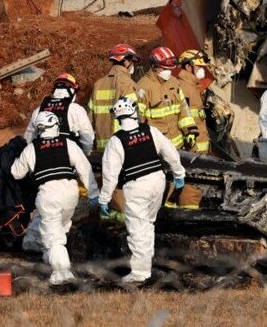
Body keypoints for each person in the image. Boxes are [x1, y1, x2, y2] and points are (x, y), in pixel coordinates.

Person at [98, 97, 185, 284]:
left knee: (138, 229)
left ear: (117, 118)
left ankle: (140, 273)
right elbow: (170, 152)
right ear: (134, 112)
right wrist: (179, 174)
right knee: (148, 224)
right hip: (157, 181)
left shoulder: (116, 141)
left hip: (136, 186)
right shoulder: (150, 130)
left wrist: (104, 198)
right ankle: (148, 261)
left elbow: (110, 175)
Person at [11, 110, 99, 285]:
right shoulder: (68, 144)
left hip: (49, 196)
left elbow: (16, 173)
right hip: (70, 195)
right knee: (59, 228)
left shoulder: (32, 149)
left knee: (53, 237)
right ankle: (49, 257)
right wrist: (94, 193)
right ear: (56, 126)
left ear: (39, 128)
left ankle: (62, 274)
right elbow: (85, 168)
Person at [136, 46, 197, 150]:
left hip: (178, 147)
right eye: (164, 68)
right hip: (158, 149)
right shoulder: (143, 87)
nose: (168, 71)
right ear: (153, 66)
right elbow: (138, 121)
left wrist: (190, 131)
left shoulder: (174, 82)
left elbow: (184, 109)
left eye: (169, 68)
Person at [24, 73, 94, 155]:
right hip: (68, 160)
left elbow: (28, 139)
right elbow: (88, 139)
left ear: (55, 90)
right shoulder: (76, 110)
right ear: (72, 92)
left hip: (43, 160)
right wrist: (83, 156)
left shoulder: (39, 109)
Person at [89, 44, 141, 153]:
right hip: (123, 145)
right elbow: (135, 116)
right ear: (126, 61)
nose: (133, 66)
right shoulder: (127, 84)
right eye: (132, 61)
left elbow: (90, 117)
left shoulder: (98, 84)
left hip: (102, 147)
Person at [176, 49, 211, 154]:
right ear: (188, 67)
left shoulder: (194, 86)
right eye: (199, 67)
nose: (202, 70)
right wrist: (192, 147)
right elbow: (183, 119)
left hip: (201, 146)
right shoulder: (184, 87)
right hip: (194, 150)